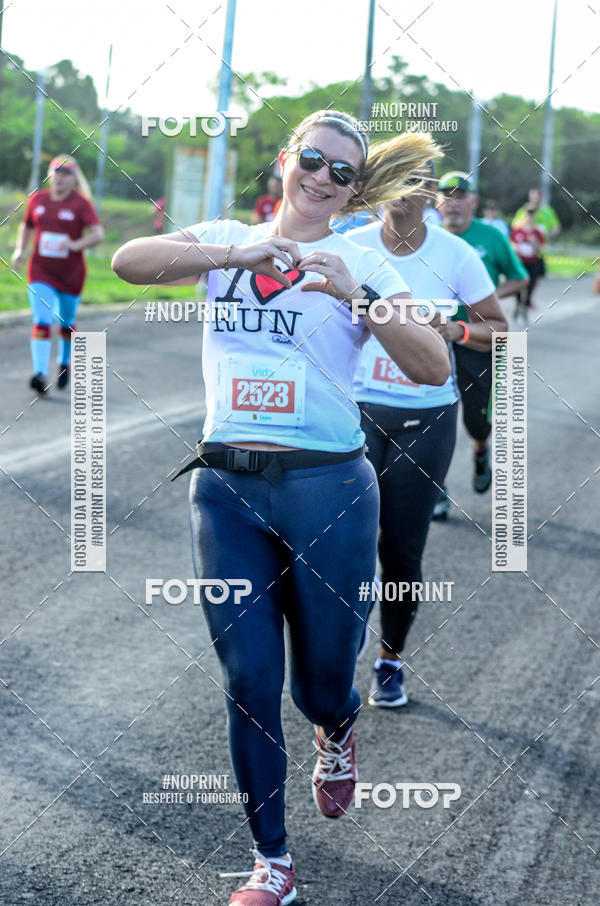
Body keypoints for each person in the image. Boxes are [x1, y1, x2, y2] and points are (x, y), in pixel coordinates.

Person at [113, 110, 450, 906]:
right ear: (285, 158)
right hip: (227, 490)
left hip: (328, 491)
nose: (323, 177)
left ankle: (338, 726)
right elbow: (128, 261)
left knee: (319, 687)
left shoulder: (365, 259)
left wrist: (359, 295)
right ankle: (272, 862)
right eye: (313, 159)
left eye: (342, 171)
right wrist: (236, 254)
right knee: (250, 680)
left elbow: (435, 365)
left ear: (354, 188)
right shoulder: (225, 237)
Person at [349, 160, 506, 705]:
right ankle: (338, 651)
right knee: (344, 544)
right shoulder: (352, 246)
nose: (403, 192)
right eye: (395, 178)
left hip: (427, 418)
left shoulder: (456, 255)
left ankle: (389, 661)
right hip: (354, 414)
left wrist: (454, 328)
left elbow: (498, 327)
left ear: (433, 194)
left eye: (417, 182)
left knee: (401, 548)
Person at [434, 171, 528, 515]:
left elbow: (519, 277)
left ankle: (480, 450)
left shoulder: (490, 236)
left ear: (473, 201)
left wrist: (486, 298)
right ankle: (437, 490)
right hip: (435, 337)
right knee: (433, 418)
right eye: (447, 195)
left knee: (477, 419)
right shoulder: (427, 238)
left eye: (461, 195)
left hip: (477, 338)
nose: (453, 202)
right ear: (436, 201)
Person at [11, 154, 104, 394]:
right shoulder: (38, 200)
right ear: (50, 175)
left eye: (66, 173)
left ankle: (64, 363)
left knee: (66, 322)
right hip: (40, 270)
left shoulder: (81, 204)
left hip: (71, 274)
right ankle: (40, 374)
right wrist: (20, 250)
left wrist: (75, 245)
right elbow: (27, 226)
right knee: (42, 318)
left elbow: (98, 234)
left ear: (74, 178)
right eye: (56, 172)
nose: (60, 177)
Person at [510, 205, 546, 321]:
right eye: (527, 216)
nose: (529, 219)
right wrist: (515, 247)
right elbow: (510, 244)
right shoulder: (517, 230)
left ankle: (525, 307)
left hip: (532, 262)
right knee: (518, 284)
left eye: (532, 217)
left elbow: (541, 248)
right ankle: (518, 305)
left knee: (531, 285)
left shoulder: (537, 232)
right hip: (520, 262)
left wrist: (534, 243)